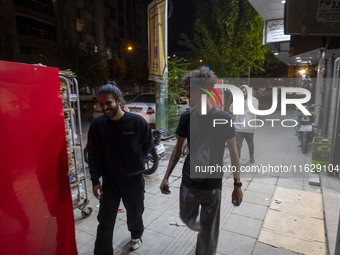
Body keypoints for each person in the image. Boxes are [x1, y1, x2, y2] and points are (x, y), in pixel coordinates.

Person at [160, 67, 243, 255]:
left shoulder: (223, 119)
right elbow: (178, 148)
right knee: (185, 215)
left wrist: (237, 185)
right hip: (188, 181)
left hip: (212, 185)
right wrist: (166, 177)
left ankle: (204, 241)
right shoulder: (187, 117)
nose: (187, 93)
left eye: (191, 90)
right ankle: (203, 226)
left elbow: (234, 153)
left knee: (208, 235)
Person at [87, 83, 153, 255]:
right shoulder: (97, 125)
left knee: (135, 213)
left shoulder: (137, 122)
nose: (104, 108)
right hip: (110, 181)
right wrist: (95, 180)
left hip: (133, 180)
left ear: (118, 100)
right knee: (105, 220)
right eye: (101, 104)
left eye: (108, 103)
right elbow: (93, 154)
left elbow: (147, 145)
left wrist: (136, 161)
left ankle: (136, 236)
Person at [229, 84, 259, 164]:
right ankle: (237, 159)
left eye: (244, 92)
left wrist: (243, 112)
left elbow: (254, 109)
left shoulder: (254, 100)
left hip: (249, 127)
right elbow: (231, 109)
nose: (243, 94)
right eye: (241, 92)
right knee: (238, 145)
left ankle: (251, 156)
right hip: (239, 127)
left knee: (250, 144)